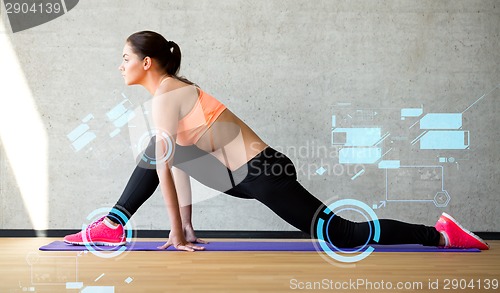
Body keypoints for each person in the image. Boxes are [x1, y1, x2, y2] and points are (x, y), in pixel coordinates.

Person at [64, 31, 489, 252]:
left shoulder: (167, 96)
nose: (119, 66)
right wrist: (188, 227)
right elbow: (173, 162)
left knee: (342, 233)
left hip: (265, 173)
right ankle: (113, 226)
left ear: (147, 62)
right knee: (158, 148)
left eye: (124, 58)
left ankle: (439, 235)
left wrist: (175, 233)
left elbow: (164, 167)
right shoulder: (170, 95)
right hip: (242, 175)